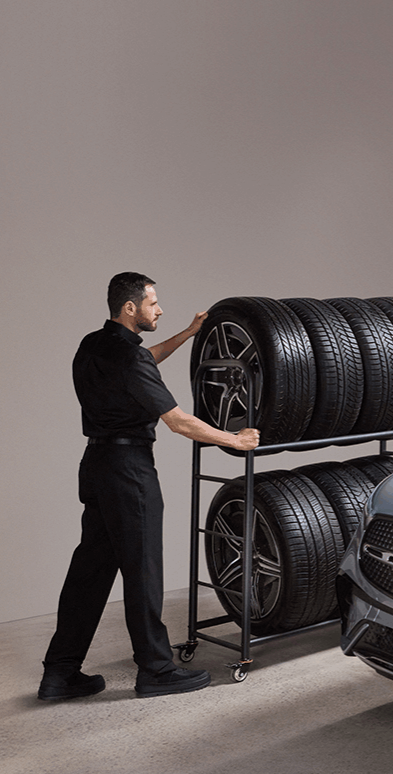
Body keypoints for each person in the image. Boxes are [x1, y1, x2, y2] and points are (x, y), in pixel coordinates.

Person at [38, 272, 260, 700]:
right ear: (130, 308)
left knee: (90, 572)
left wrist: (188, 334)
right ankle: (156, 670)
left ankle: (59, 673)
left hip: (96, 466)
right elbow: (178, 422)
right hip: (129, 470)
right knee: (142, 571)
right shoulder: (130, 359)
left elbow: (144, 360)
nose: (159, 309)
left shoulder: (93, 345)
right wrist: (236, 439)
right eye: (153, 303)